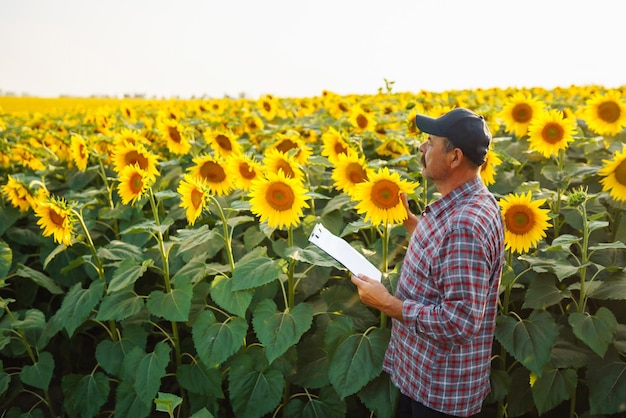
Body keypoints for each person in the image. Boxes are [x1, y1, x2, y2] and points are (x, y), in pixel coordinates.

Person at [351, 108, 505, 418]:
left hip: (439, 391)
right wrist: (411, 223)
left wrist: (388, 304)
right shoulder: (468, 202)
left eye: (430, 142)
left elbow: (459, 321)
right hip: (423, 376)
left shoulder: (465, 225)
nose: (421, 148)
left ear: (454, 158)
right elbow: (448, 254)